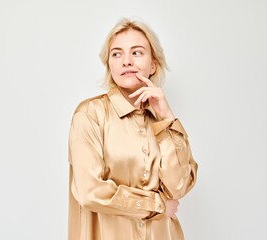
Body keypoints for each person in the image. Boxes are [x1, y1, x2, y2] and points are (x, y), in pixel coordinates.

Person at [68, 17, 198, 240]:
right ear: (109, 64)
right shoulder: (90, 114)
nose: (126, 61)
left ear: (153, 64)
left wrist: (167, 117)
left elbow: (178, 187)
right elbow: (90, 191)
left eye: (136, 52)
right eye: (117, 54)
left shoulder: (161, 119)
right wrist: (157, 205)